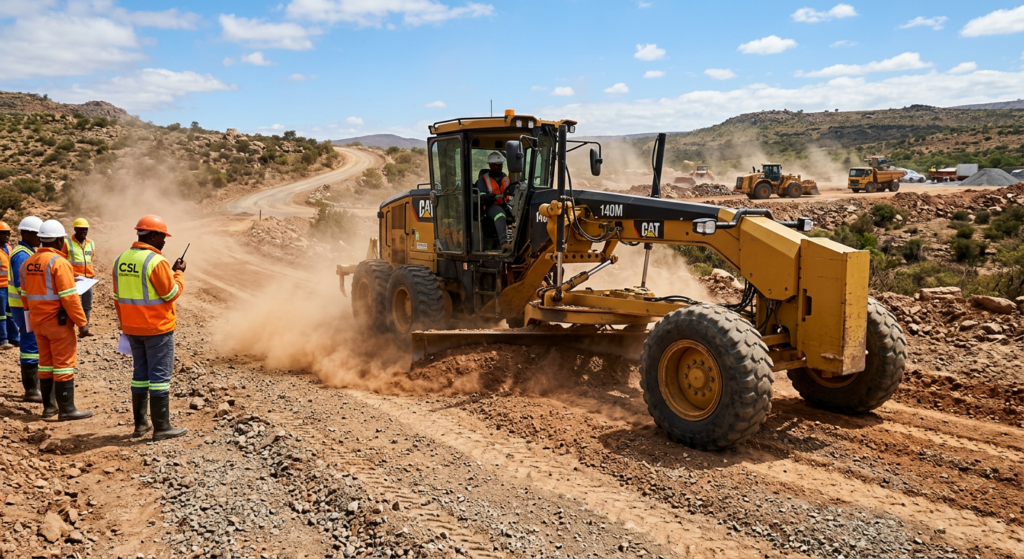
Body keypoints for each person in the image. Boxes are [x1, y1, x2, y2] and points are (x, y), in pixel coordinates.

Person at [113, 215, 187, 441]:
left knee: (140, 376)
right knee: (160, 378)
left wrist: (125, 325)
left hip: (132, 328)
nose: (164, 241)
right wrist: (179, 273)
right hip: (157, 329)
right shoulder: (156, 261)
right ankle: (162, 427)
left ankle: (141, 425)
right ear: (153, 235)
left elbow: (117, 297)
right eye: (163, 236)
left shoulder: (121, 259)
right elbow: (171, 293)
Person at [22, 220, 92, 420]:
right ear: (60, 240)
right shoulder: (59, 263)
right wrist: (82, 323)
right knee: (63, 364)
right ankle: (67, 410)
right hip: (57, 323)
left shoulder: (28, 262)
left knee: (45, 363)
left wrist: (32, 316)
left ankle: (49, 408)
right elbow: (69, 297)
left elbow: (25, 294)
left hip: (37, 322)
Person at [10, 216, 42, 404]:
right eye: (37, 234)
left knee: (32, 343)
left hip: (25, 306)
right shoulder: (22, 254)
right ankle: (31, 390)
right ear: (27, 234)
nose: (40, 238)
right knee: (30, 345)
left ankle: (34, 387)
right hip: (24, 307)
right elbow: (23, 285)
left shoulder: (27, 252)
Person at [475, 151, 513, 252]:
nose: (499, 167)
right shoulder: (483, 179)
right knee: (499, 214)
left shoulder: (505, 178)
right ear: (491, 165)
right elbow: (481, 196)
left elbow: (511, 191)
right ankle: (504, 243)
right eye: (496, 165)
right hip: (490, 206)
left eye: (500, 165)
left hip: (505, 204)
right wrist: (492, 197)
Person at [66, 218, 96, 325]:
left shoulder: (91, 243)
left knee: (87, 305)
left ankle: (85, 326)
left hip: (88, 280)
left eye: (85, 229)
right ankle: (69, 326)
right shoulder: (67, 243)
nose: (83, 231)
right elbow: (61, 259)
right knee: (72, 304)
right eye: (80, 229)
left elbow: (91, 258)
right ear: (75, 229)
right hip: (74, 279)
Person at [0, 221, 14, 351]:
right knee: (1, 314)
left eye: (8, 233)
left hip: (9, 285)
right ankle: (3, 340)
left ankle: (14, 338)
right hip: (0, 287)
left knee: (11, 312)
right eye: (3, 233)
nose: (7, 236)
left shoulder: (8, 248)